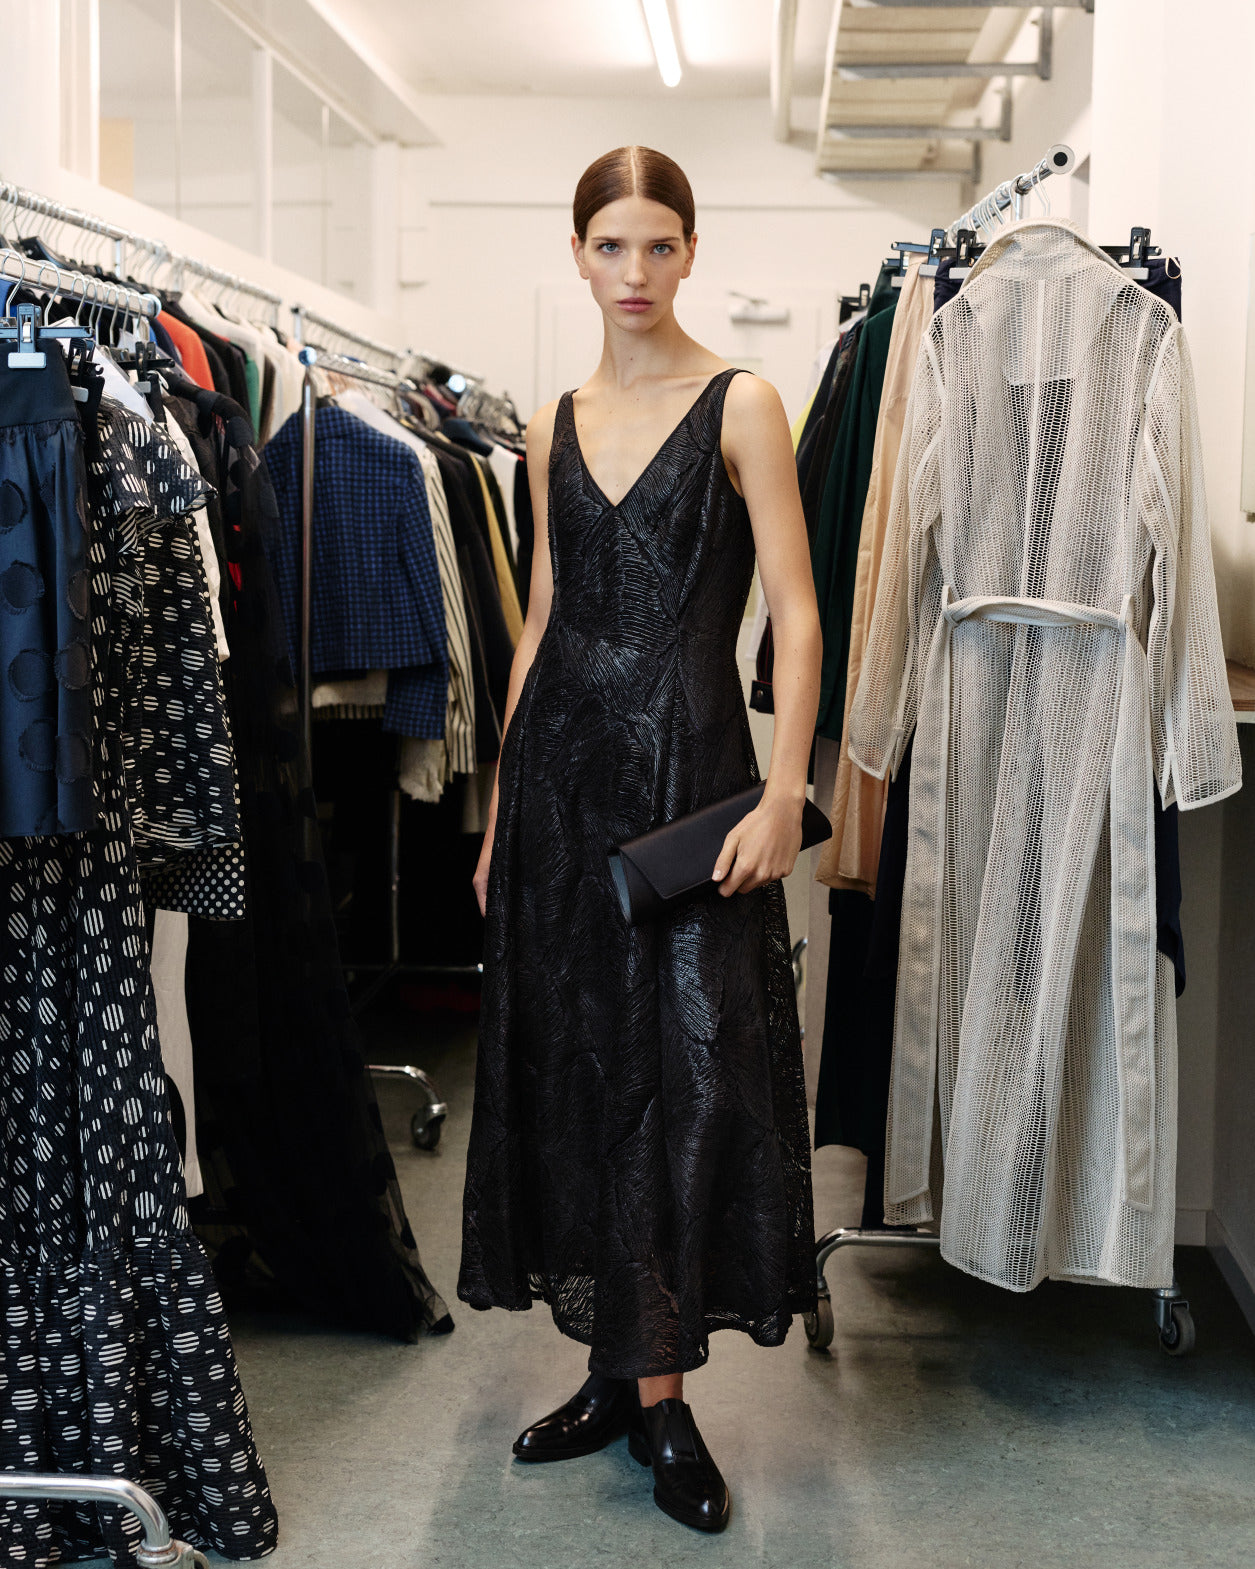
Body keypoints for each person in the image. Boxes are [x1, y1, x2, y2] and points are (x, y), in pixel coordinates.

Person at [459, 145, 820, 1534]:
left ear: (690, 252)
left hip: (689, 780)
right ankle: (619, 1374)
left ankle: (666, 1399)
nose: (633, 272)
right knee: (581, 1063)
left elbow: (797, 611)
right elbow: (544, 615)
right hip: (561, 785)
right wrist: (503, 806)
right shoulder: (548, 425)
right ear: (577, 254)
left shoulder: (745, 402)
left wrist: (783, 792)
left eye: (658, 245)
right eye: (610, 245)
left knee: (687, 1069)